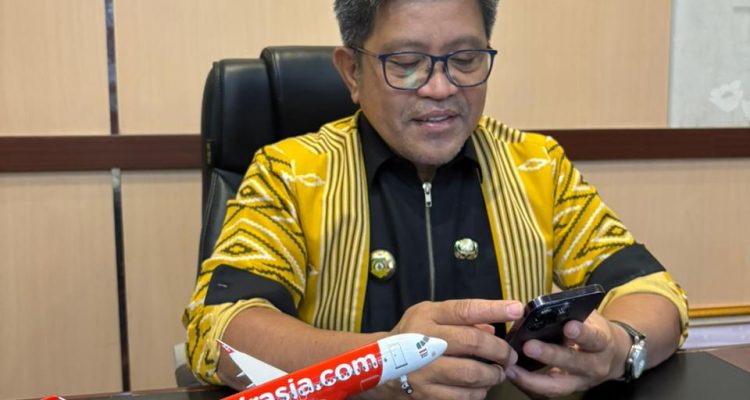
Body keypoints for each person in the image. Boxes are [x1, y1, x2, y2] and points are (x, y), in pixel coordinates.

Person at [183, 0, 688, 398]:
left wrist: (620, 347)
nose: (441, 88)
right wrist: (383, 365)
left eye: (465, 60)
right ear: (352, 72)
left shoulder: (537, 165)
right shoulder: (292, 173)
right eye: (407, 64)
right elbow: (222, 329)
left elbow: (655, 293)